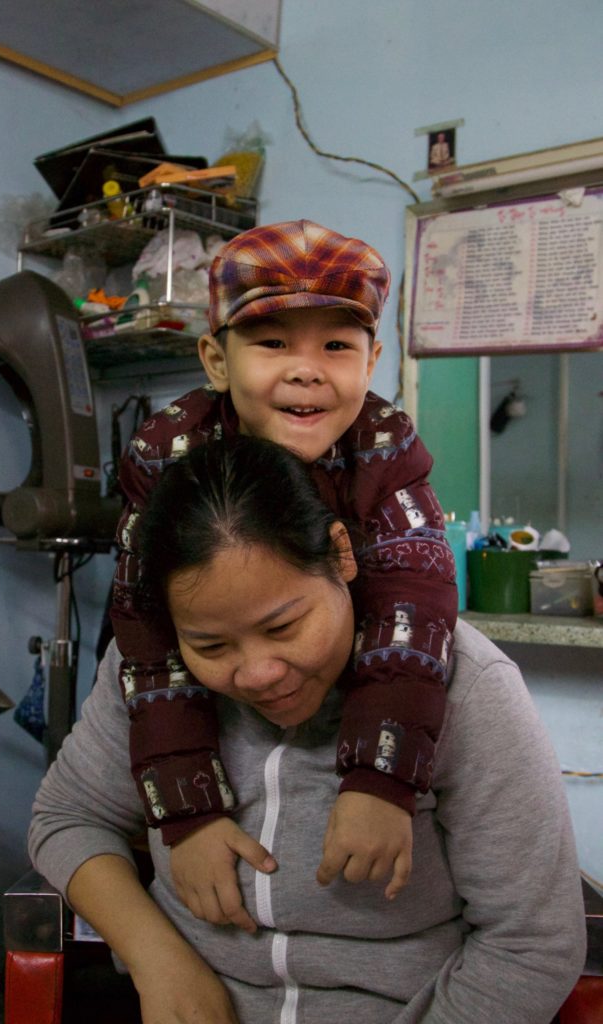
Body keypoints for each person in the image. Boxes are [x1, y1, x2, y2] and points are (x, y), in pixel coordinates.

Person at [29, 435, 586, 1024]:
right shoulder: (149, 676)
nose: (259, 674)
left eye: (285, 627)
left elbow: (531, 945)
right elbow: (66, 818)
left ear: (340, 555)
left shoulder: (466, 688)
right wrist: (158, 959)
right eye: (210, 644)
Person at [109, 219, 458, 920]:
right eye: (271, 344)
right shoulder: (167, 452)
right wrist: (188, 816)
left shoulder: (386, 449)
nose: (306, 368)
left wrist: (378, 779)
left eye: (336, 345)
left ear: (371, 361)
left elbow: (412, 609)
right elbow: (150, 639)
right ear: (214, 360)